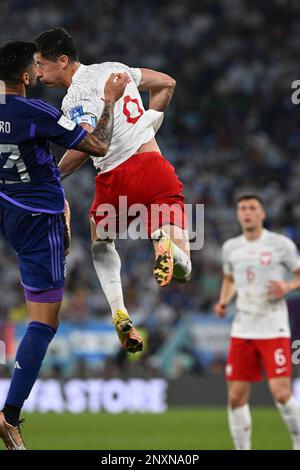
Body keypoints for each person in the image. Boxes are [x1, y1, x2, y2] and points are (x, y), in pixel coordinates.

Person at [0, 40, 128, 450]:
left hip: (6, 209)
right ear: (24, 77)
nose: (39, 74)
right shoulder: (36, 111)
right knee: (44, 321)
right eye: (33, 69)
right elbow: (98, 146)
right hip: (40, 220)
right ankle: (10, 415)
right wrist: (107, 102)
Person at [34, 27, 192, 354]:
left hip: (114, 181)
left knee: (101, 242)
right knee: (184, 270)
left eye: (40, 64)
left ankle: (119, 310)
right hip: (153, 167)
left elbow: (87, 144)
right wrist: (150, 122)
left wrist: (51, 178)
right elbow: (167, 83)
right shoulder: (116, 69)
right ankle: (166, 247)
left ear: (62, 61)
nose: (36, 72)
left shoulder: (75, 95)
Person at [214, 194, 300, 450]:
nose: (247, 212)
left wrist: (287, 285)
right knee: (236, 397)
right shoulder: (231, 247)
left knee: (282, 394)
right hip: (243, 329)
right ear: (238, 214)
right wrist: (223, 301)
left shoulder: (280, 244)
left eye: (252, 208)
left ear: (262, 213)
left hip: (274, 327)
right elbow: (229, 279)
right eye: (242, 208)